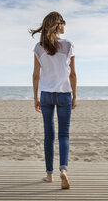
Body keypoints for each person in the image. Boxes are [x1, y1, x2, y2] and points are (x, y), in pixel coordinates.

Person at [30, 11, 77, 189]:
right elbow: (72, 74)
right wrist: (75, 95)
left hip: (46, 95)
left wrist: (35, 97)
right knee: (63, 135)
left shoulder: (39, 47)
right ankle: (63, 171)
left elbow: (36, 75)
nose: (65, 25)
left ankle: (49, 175)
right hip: (64, 94)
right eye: (63, 22)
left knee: (48, 135)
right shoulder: (68, 45)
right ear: (58, 25)